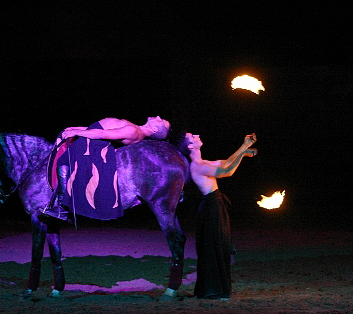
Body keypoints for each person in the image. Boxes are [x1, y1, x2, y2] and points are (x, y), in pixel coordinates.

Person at [41, 116, 171, 224]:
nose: (158, 117)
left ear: (154, 129)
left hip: (93, 143)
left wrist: (76, 133)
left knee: (63, 160)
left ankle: (61, 209)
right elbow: (103, 128)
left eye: (161, 120)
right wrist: (79, 129)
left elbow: (103, 133)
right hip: (93, 135)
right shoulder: (137, 128)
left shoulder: (134, 132)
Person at [177, 131, 257, 300]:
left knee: (219, 245)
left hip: (215, 205)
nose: (197, 135)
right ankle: (215, 291)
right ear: (190, 146)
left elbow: (227, 163)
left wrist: (244, 147)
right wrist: (243, 151)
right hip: (211, 207)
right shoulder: (197, 167)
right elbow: (227, 171)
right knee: (215, 246)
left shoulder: (203, 162)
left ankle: (216, 290)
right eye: (192, 137)